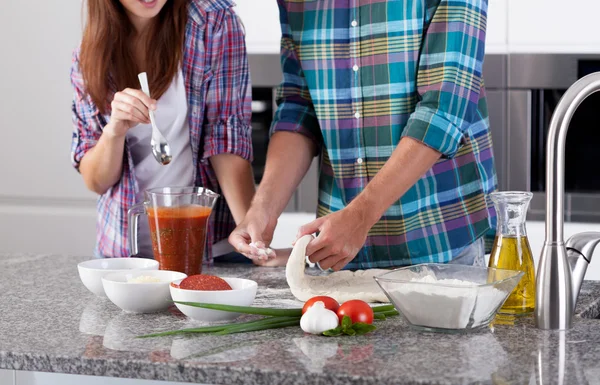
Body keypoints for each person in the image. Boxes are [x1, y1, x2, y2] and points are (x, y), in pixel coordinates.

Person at [230, 0, 497, 271]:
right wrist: (263, 209)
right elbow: (300, 106)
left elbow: (444, 109)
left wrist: (360, 215)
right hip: (338, 253)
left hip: (437, 242)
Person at [70, 0, 255, 263]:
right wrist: (114, 131)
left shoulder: (213, 21)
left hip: (209, 249)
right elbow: (96, 181)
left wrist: (250, 234)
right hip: (124, 255)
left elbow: (225, 137)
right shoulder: (89, 57)